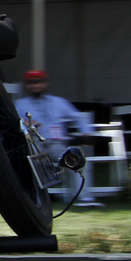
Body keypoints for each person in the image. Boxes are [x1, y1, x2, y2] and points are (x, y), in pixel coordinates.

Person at [12, 69, 100, 203]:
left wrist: (86, 133)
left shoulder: (58, 102)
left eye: (39, 82)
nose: (36, 86)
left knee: (76, 159)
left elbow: (78, 117)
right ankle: (35, 200)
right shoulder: (21, 104)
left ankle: (84, 198)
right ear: (27, 85)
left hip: (57, 145)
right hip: (34, 146)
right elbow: (15, 122)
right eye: (32, 83)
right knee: (28, 165)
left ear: (45, 84)